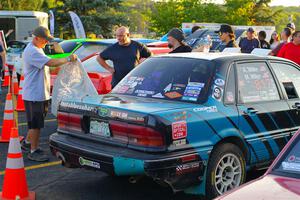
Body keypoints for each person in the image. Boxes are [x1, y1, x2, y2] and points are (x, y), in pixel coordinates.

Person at [21, 26, 77, 162]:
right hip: (35, 94)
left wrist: (58, 68)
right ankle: (33, 150)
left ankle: (28, 143)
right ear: (37, 38)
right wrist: (68, 59)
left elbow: (48, 67)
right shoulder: (33, 51)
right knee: (36, 125)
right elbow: (50, 62)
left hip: (39, 93)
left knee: (36, 121)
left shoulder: (37, 48)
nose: (47, 42)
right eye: (45, 40)